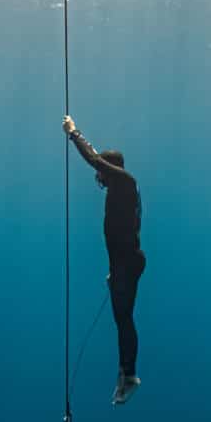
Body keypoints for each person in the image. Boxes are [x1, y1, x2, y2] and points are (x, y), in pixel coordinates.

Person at [62, 115, 147, 406]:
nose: (100, 180)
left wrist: (74, 133)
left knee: (124, 319)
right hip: (125, 263)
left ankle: (130, 375)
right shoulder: (123, 189)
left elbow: (94, 159)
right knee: (122, 319)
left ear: (111, 170)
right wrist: (117, 269)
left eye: (102, 175)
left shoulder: (124, 181)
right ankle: (126, 374)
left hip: (127, 263)